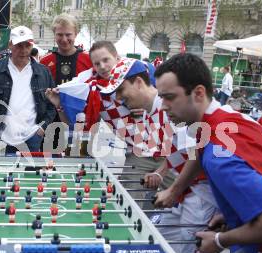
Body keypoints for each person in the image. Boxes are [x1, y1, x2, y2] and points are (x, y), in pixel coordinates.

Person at [154, 53, 262, 253]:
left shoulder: (220, 155)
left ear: (198, 93)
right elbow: (200, 152)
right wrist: (175, 190)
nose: (162, 106)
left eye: (169, 97)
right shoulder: (221, 117)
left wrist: (219, 241)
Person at [101, 57, 218, 253]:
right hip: (187, 191)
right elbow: (182, 148)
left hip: (201, 193)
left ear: (138, 82)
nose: (118, 98)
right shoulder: (153, 109)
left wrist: (172, 188)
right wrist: (164, 173)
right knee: (152, 237)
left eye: (121, 90)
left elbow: (195, 151)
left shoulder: (174, 108)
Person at [45, 41, 174, 200]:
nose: (103, 66)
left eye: (106, 60)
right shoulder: (94, 91)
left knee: (186, 200)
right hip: (137, 155)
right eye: (97, 63)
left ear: (117, 57)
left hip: (171, 152)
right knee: (129, 205)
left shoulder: (141, 73)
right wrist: (60, 104)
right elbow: (78, 126)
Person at [0, 25, 56, 154]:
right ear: (10, 45)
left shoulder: (43, 72)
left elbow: (52, 104)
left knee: (28, 173)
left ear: (32, 45)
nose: (23, 50)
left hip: (32, 137)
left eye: (27, 45)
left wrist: (42, 128)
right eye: (19, 45)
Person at [40, 13, 92, 86]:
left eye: (68, 35)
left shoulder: (89, 59)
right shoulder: (44, 62)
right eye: (60, 35)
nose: (64, 39)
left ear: (76, 34)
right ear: (54, 34)